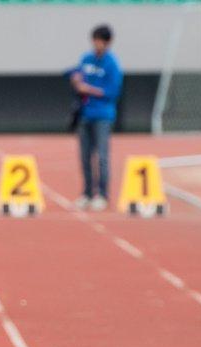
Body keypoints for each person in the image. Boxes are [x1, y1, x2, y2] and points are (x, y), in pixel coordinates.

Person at [70, 24, 122, 211]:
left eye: (100, 40)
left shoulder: (112, 64)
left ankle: (102, 194)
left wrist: (89, 89)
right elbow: (76, 73)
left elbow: (113, 92)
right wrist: (75, 78)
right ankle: (87, 193)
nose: (96, 44)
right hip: (85, 113)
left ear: (107, 42)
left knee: (102, 156)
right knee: (84, 156)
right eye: (94, 40)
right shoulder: (86, 58)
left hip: (103, 115)